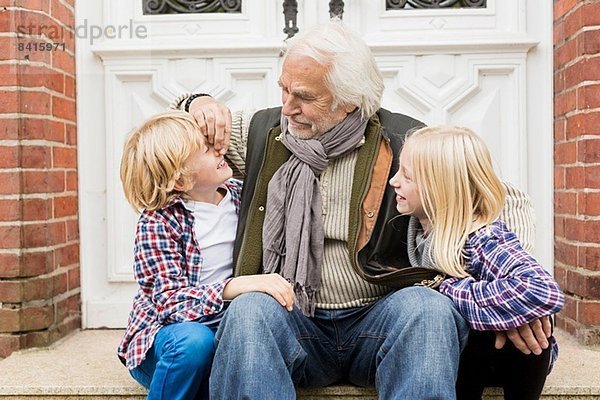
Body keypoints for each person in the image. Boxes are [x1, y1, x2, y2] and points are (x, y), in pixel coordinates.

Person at [172, 21, 556, 400]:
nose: (287, 107)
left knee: (427, 307)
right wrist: (195, 104)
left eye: (304, 96)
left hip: (380, 316)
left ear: (349, 101)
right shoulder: (264, 132)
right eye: (283, 89)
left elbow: (505, 199)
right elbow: (169, 148)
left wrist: (514, 298)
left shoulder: (405, 140)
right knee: (249, 310)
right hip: (292, 319)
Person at [116, 110, 294, 400]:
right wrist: (235, 287)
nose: (219, 149)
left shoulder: (241, 197)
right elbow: (169, 304)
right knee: (195, 342)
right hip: (169, 345)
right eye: (206, 149)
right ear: (180, 180)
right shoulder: (158, 222)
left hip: (223, 332)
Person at [389, 126, 564, 399]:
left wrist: (445, 289)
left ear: (441, 188)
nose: (394, 181)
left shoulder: (481, 236)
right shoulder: (415, 230)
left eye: (407, 176)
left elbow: (540, 290)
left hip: (509, 359)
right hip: (460, 358)